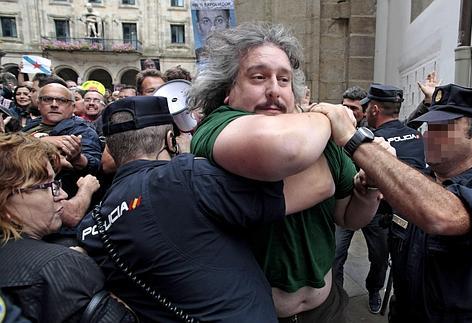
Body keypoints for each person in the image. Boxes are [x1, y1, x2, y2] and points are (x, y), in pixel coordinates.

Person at [189, 22, 381, 322]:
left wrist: (368, 190)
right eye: (258, 77)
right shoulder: (216, 127)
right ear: (228, 91)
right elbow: (285, 149)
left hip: (325, 308)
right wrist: (332, 118)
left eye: (284, 79)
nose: (274, 90)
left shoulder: (317, 137)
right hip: (251, 313)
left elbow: (348, 217)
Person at [77, 96, 314, 322]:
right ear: (171, 140)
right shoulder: (186, 176)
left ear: (110, 148)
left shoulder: (91, 226)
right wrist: (327, 121)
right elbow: (316, 184)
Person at [311, 83, 472, 322]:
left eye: (442, 128)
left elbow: (441, 213)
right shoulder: (421, 180)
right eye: (429, 126)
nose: (427, 135)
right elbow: (365, 212)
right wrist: (369, 185)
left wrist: (353, 139)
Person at [0, 133, 136, 322]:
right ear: (6, 199)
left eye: (57, 183)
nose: (62, 194)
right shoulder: (58, 266)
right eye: (48, 186)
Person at [333, 83, 426, 314]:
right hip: (346, 203)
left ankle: (374, 290)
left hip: (378, 212)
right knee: (335, 254)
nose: (350, 113)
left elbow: (403, 127)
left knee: (379, 258)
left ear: (369, 110)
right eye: (345, 107)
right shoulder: (350, 130)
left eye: (355, 108)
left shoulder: (377, 136)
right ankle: (336, 296)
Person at [22, 83, 102, 245]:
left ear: (72, 106)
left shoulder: (82, 131)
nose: (54, 104)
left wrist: (78, 159)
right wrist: (42, 141)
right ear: (38, 103)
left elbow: (94, 164)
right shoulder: (30, 128)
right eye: (47, 99)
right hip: (24, 216)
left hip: (62, 225)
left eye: (61, 100)